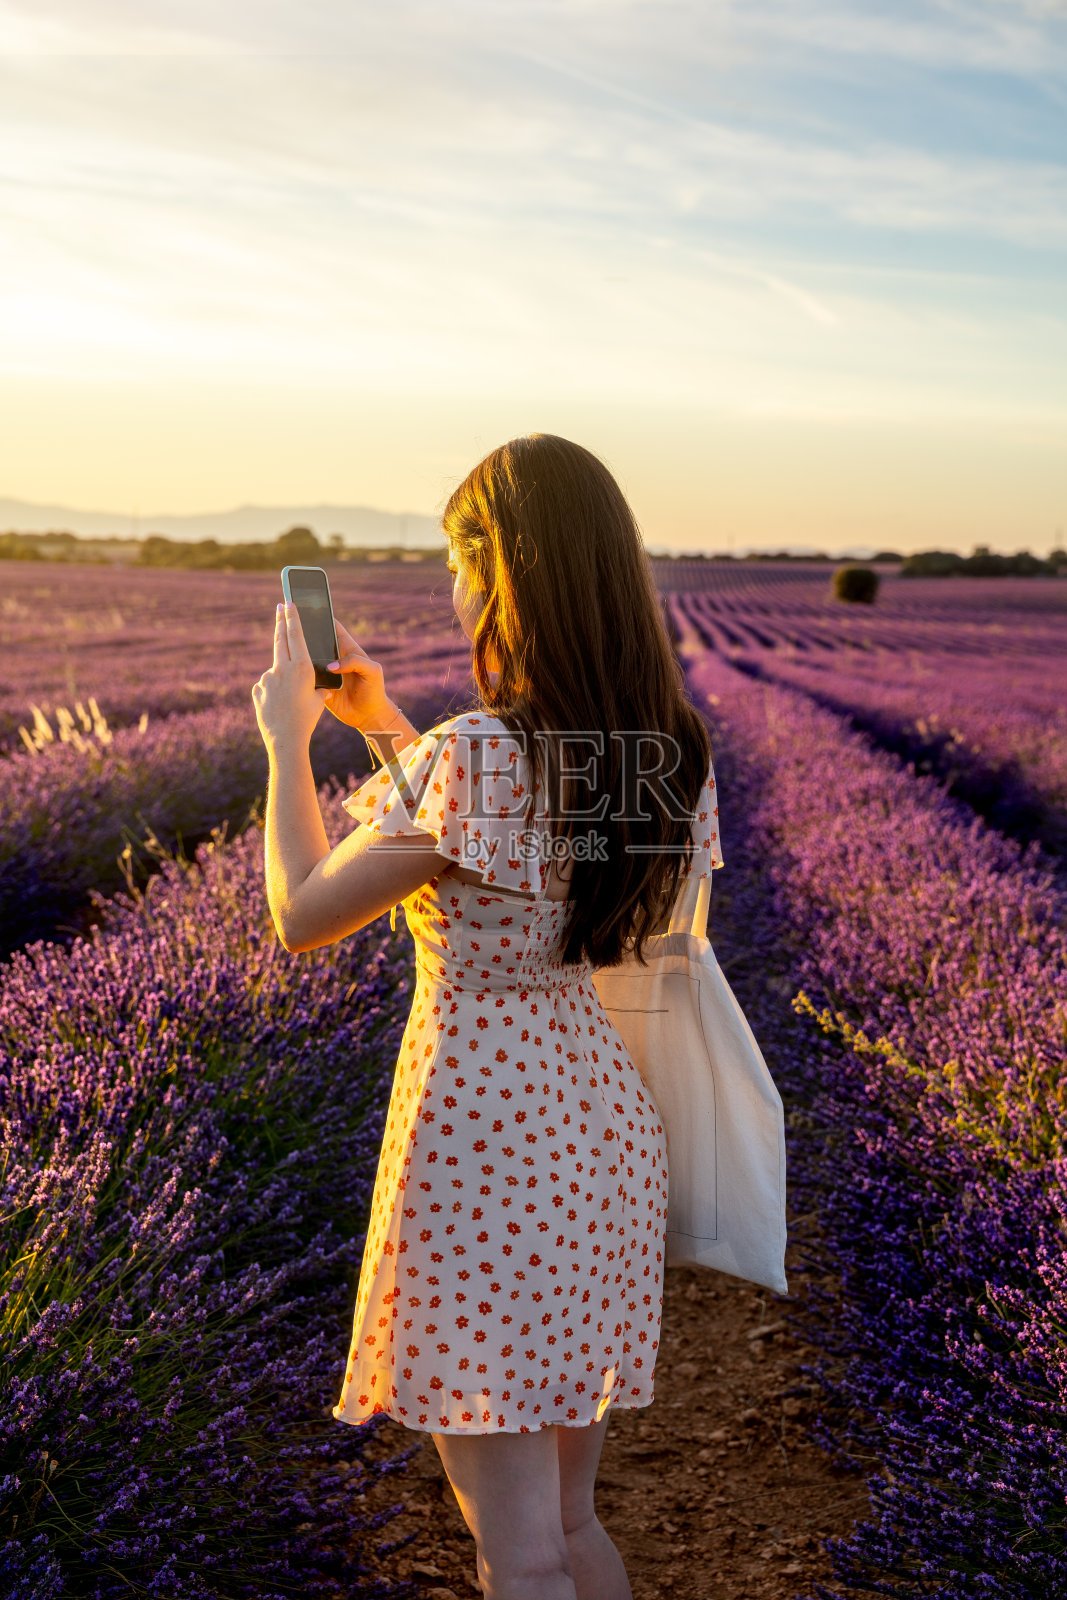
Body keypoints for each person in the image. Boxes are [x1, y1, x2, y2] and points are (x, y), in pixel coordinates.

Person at [252, 434, 722, 1600]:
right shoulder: (666, 753)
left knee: (509, 1544)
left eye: (462, 561)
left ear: (500, 572)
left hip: (483, 1138)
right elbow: (522, 843)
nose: (454, 587)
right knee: (566, 1519)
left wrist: (283, 742)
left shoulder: (473, 757)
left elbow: (302, 913)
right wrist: (382, 723)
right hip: (598, 1128)